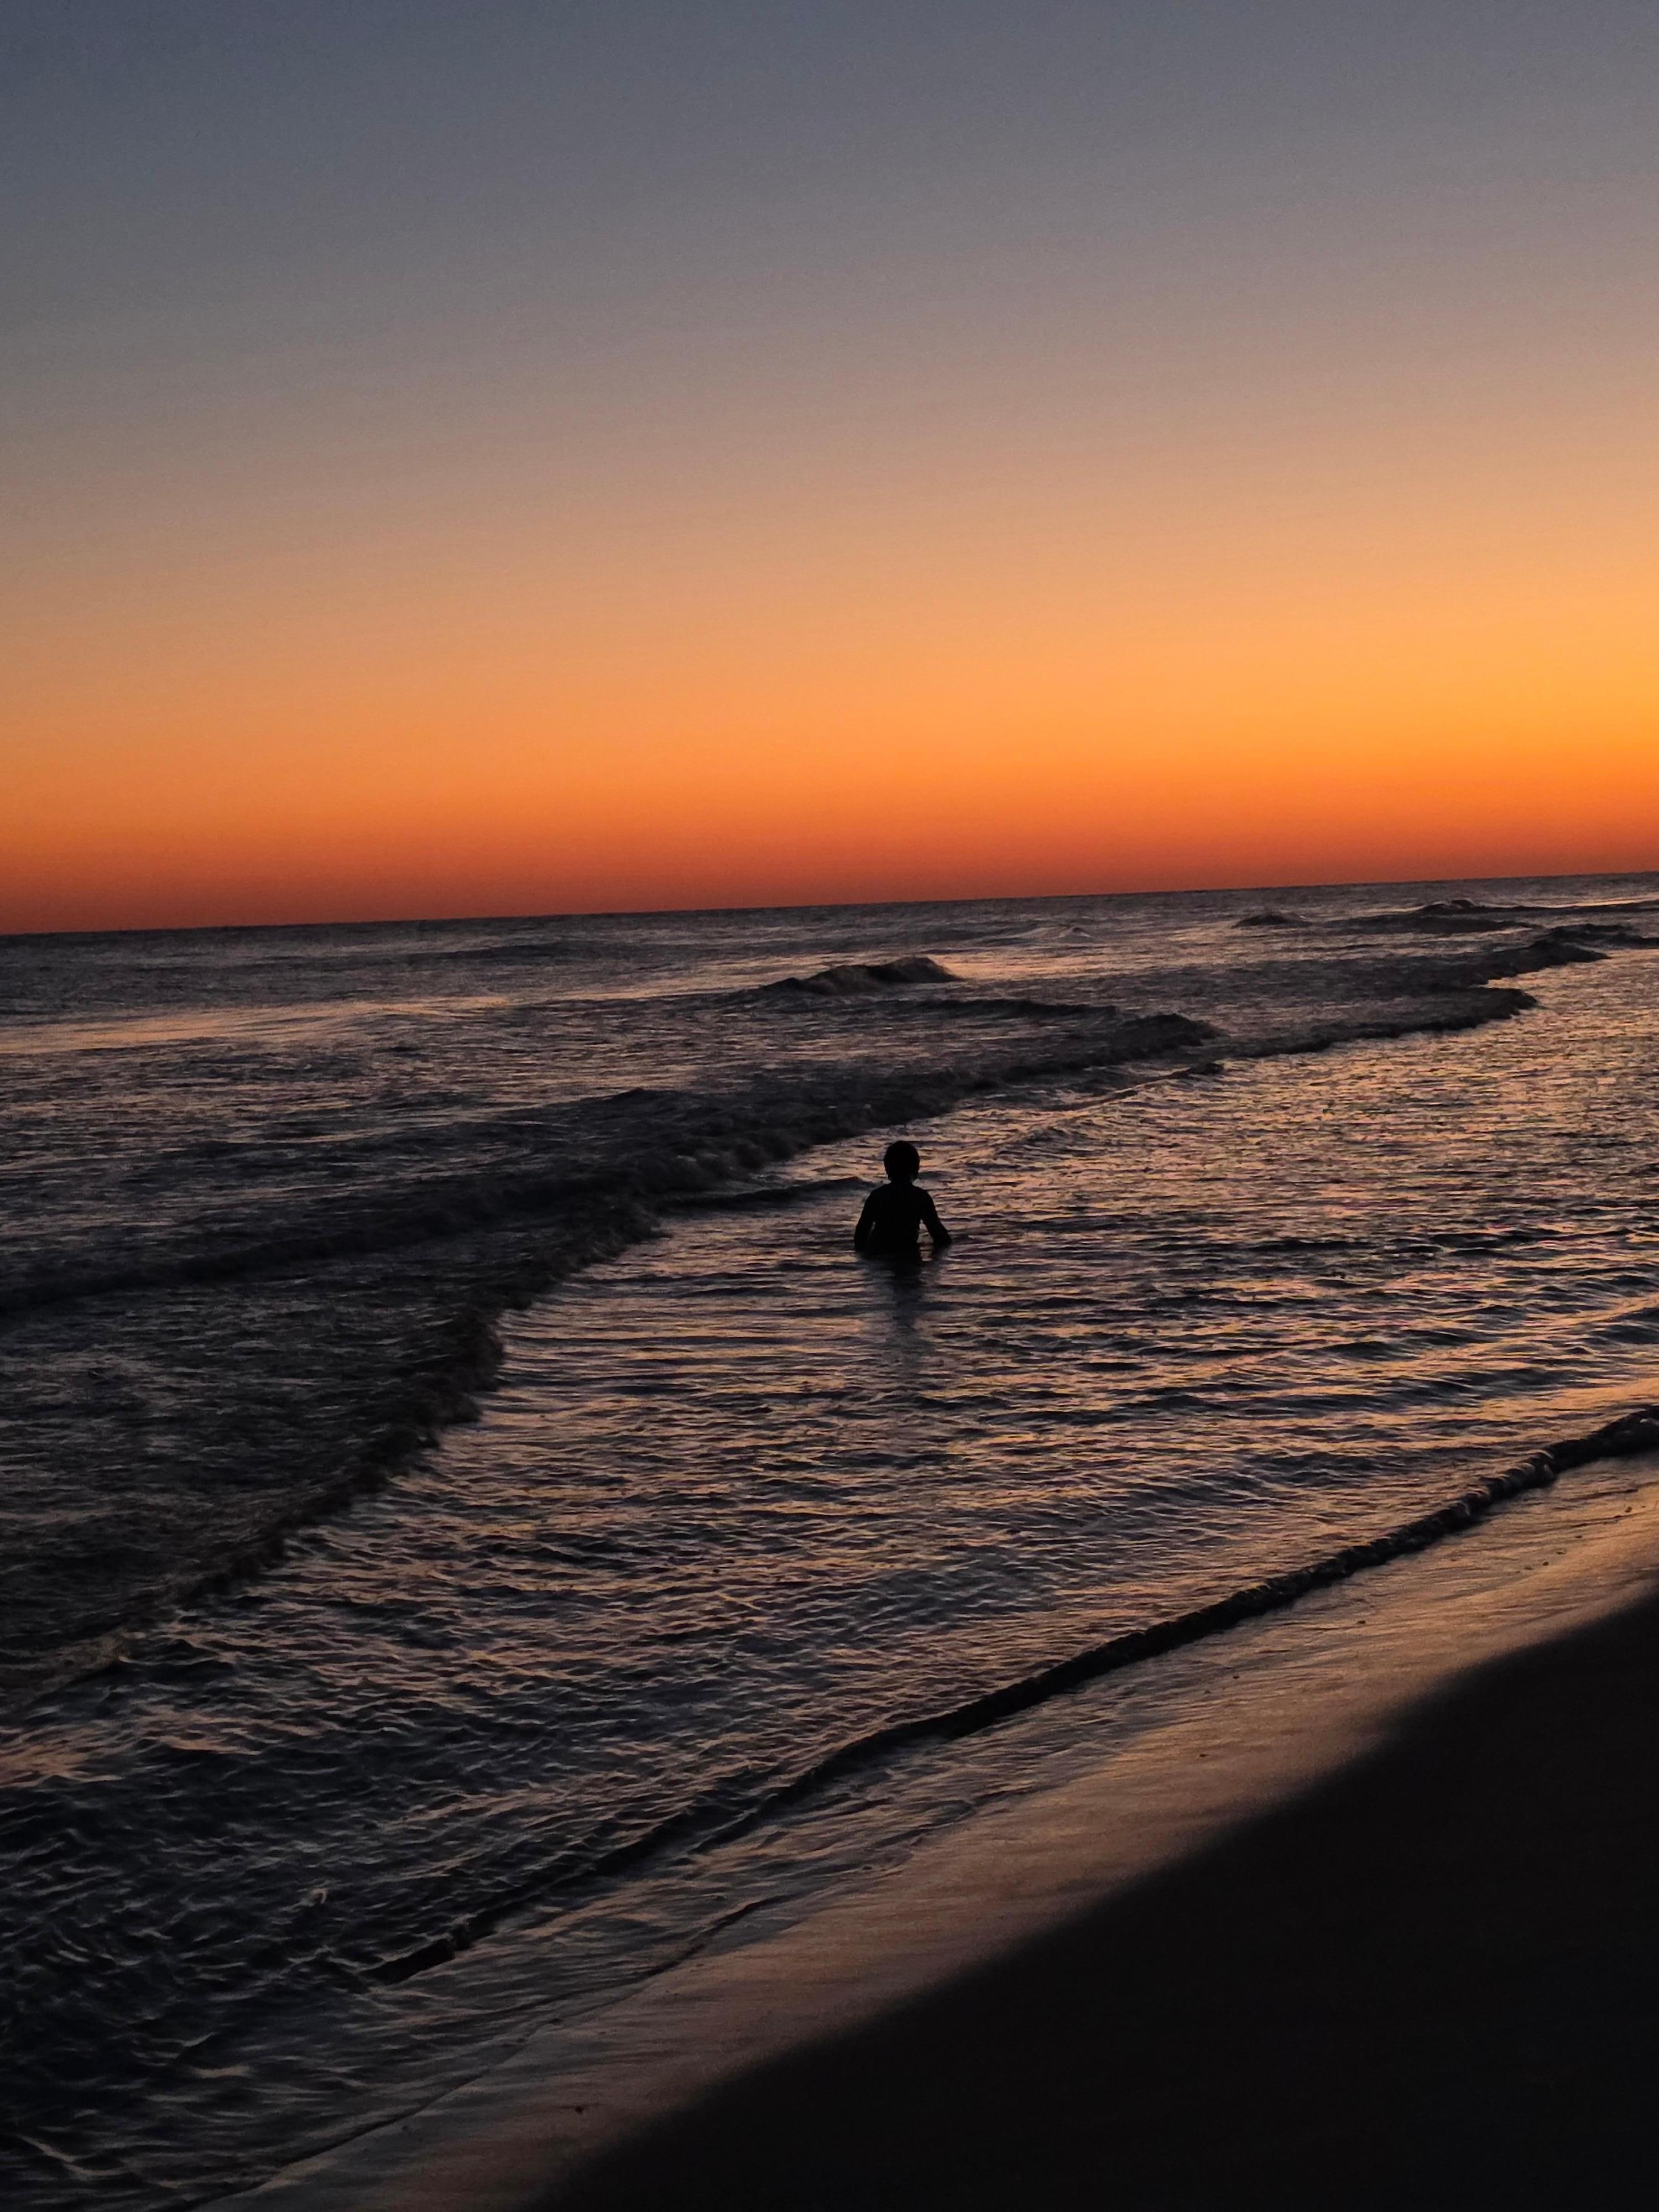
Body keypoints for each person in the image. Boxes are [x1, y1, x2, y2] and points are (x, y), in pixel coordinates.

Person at [853, 1141, 953, 1260]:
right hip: (908, 1252)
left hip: (879, 1253)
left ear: (887, 1169)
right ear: (916, 1168)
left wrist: (864, 1258)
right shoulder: (920, 1197)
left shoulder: (877, 1196)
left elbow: (861, 1234)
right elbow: (939, 1235)